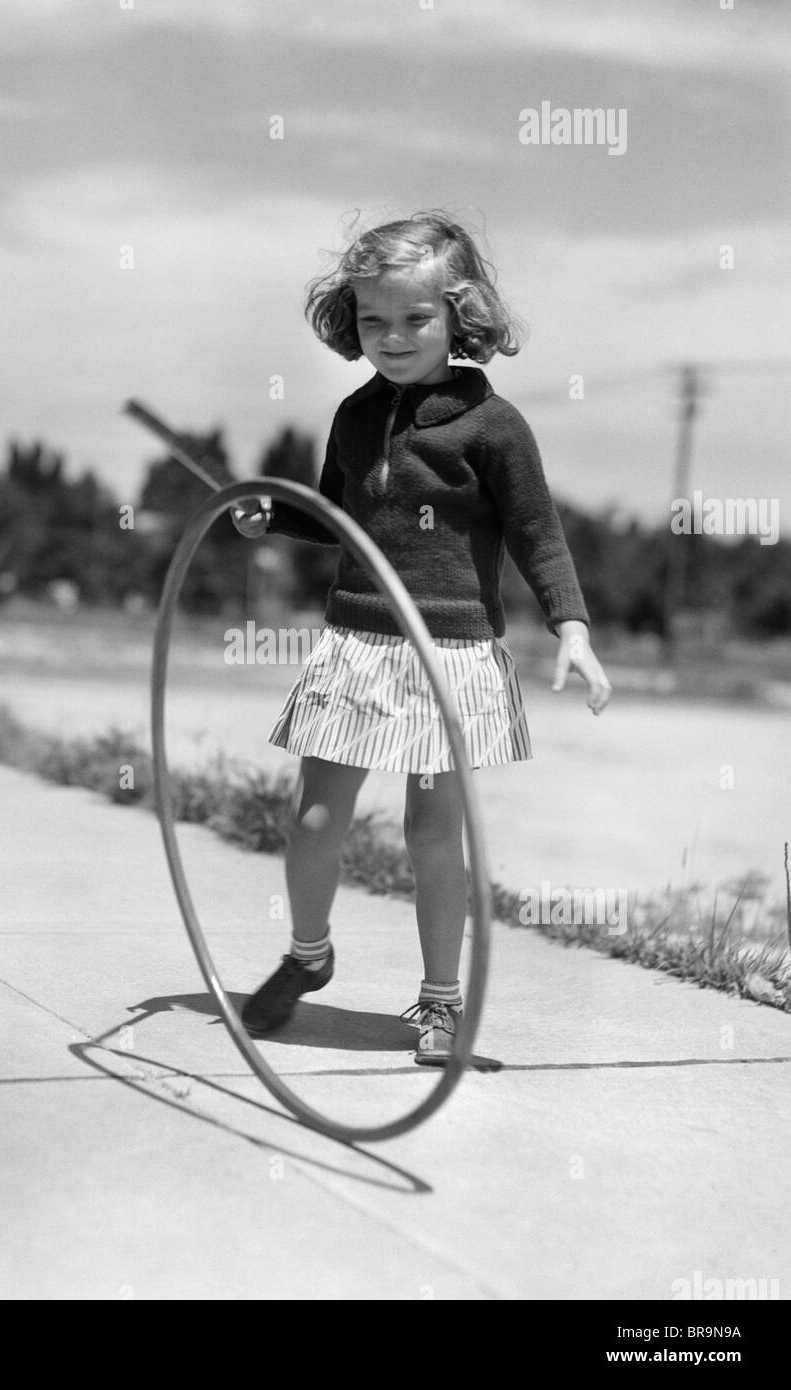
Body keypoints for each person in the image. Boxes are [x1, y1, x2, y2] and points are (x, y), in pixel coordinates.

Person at [230, 211, 611, 1065]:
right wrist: (273, 516)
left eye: (413, 319)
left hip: (452, 656)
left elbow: (537, 534)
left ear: (458, 315)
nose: (391, 338)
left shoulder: (493, 426)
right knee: (314, 819)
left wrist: (572, 628)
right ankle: (308, 954)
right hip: (357, 647)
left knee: (433, 833)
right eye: (373, 320)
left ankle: (440, 1001)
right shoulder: (354, 416)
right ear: (350, 319)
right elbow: (338, 516)